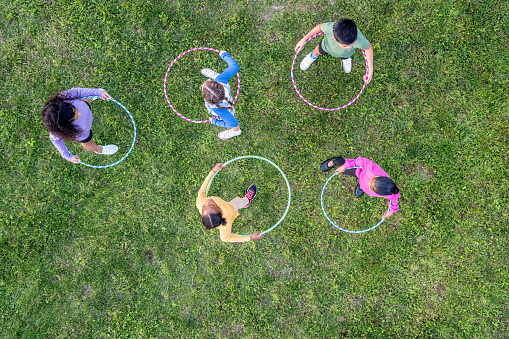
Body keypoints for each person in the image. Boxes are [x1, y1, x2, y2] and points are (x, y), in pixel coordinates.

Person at [41, 88, 118, 163]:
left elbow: (77, 92)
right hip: (85, 133)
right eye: (75, 117)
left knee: (83, 102)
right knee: (88, 144)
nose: (80, 114)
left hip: (84, 105)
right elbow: (55, 140)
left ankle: (91, 97)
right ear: (66, 124)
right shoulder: (59, 130)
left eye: (75, 110)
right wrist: (67, 156)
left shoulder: (63, 99)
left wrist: (97, 92)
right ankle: (100, 150)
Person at [196, 163, 264, 242]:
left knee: (234, 202)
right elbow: (227, 238)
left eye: (204, 206)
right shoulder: (226, 224)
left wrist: (213, 171)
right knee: (238, 202)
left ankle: (244, 202)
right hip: (231, 208)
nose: (207, 201)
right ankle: (246, 201)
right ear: (220, 210)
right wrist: (250, 238)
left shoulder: (200, 202)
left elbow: (203, 189)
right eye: (211, 204)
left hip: (226, 206)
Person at [295, 18, 374, 84]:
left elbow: (368, 48)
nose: (349, 47)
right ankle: (313, 55)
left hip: (346, 54)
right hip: (326, 47)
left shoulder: (359, 41)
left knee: (345, 54)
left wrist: (370, 70)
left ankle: (345, 58)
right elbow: (319, 27)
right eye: (345, 46)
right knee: (317, 50)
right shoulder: (330, 28)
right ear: (334, 38)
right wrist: (303, 40)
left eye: (351, 44)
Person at [321, 156, 400, 218]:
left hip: (363, 182)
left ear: (380, 194)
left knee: (364, 185)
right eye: (371, 182)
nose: (369, 182)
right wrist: (345, 166)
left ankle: (362, 186)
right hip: (359, 172)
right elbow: (360, 161)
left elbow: (394, 198)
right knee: (345, 171)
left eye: (371, 187)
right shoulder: (370, 169)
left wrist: (392, 211)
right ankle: (335, 160)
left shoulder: (389, 191)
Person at [200, 50, 242, 140]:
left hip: (225, 109)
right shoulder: (221, 80)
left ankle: (236, 132)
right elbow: (234, 67)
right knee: (218, 77)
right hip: (224, 98)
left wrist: (215, 121)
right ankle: (214, 75)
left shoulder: (217, 110)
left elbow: (233, 124)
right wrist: (224, 55)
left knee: (234, 126)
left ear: (207, 100)